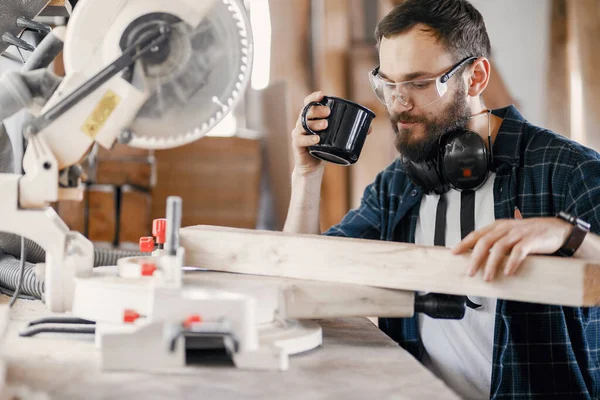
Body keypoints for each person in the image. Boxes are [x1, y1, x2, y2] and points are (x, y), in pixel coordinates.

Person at [283, 0, 600, 398]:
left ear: (476, 77)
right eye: (388, 85)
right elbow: (300, 276)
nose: (399, 103)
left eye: (418, 83)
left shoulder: (567, 170)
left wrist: (567, 235)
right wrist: (306, 176)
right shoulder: (399, 183)